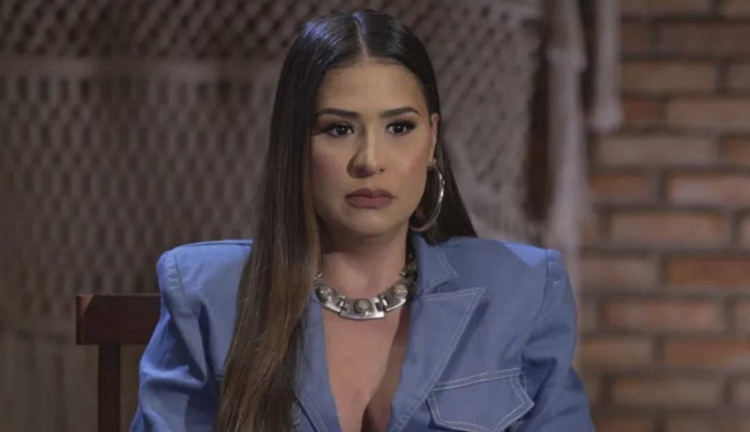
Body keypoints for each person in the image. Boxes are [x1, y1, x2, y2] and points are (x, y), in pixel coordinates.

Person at [130, 8, 596, 432]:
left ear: (432, 139)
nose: (370, 160)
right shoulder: (209, 296)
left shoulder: (522, 289)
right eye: (339, 129)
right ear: (296, 144)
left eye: (399, 127)